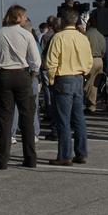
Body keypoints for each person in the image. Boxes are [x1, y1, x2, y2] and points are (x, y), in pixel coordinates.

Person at [0, 5, 41, 169]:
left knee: (5, 119)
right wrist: (32, 74)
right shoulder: (26, 34)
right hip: (22, 74)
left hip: (4, 74)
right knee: (27, 117)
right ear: (18, 17)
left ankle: (2, 159)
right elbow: (36, 61)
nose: (26, 19)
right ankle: (30, 158)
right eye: (24, 16)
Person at [44, 9, 92, 165]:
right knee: (78, 118)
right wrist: (84, 72)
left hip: (63, 78)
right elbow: (89, 61)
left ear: (63, 21)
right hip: (79, 77)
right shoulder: (82, 38)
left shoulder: (58, 37)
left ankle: (65, 155)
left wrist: (51, 80)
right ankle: (81, 152)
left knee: (63, 119)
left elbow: (51, 62)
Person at [83, 16, 107, 113]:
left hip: (90, 60)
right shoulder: (101, 36)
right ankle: (92, 104)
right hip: (100, 61)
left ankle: (90, 104)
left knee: (88, 83)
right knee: (95, 84)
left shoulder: (86, 35)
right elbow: (103, 51)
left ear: (89, 23)